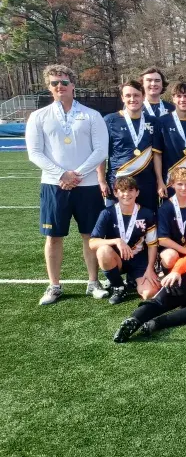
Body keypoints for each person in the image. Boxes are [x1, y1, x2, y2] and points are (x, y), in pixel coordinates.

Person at [25, 64, 109, 304]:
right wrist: (62, 174)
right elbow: (34, 153)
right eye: (54, 83)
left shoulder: (92, 115)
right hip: (54, 186)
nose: (59, 86)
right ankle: (54, 286)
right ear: (49, 87)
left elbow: (101, 150)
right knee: (53, 237)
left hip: (87, 185)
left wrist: (77, 174)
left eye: (64, 82)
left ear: (73, 85)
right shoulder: (38, 116)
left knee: (90, 236)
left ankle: (93, 282)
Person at [89, 176, 160, 304]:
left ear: (137, 192)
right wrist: (117, 241)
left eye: (130, 190)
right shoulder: (107, 213)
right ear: (116, 193)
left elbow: (152, 245)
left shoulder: (147, 214)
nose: (126, 194)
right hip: (117, 259)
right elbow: (92, 242)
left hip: (139, 260)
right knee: (103, 251)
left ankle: (133, 278)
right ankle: (119, 287)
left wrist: (150, 268)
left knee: (149, 293)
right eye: (122, 190)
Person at [99, 80, 160, 213]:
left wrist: (160, 181)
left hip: (146, 185)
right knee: (117, 222)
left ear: (143, 96)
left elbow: (157, 154)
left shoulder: (153, 121)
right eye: (128, 95)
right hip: (118, 182)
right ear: (122, 98)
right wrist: (102, 181)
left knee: (147, 222)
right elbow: (101, 153)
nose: (132, 99)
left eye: (136, 95)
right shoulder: (110, 120)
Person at [153, 81, 186, 202]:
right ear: (173, 98)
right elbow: (157, 154)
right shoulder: (162, 122)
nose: (183, 99)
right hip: (171, 181)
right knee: (172, 213)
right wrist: (160, 181)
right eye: (179, 96)